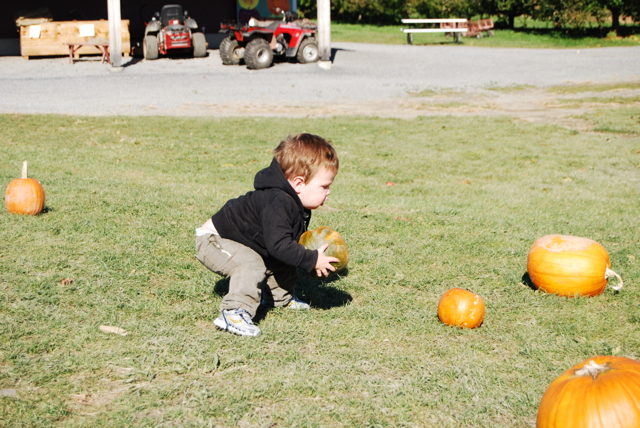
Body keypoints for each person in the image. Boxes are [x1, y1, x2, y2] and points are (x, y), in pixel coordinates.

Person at [195, 133, 340, 337]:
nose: (328, 192)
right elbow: (278, 246)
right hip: (214, 240)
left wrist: (307, 253)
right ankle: (234, 312)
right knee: (250, 263)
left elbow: (284, 247)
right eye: (324, 186)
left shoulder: (295, 202)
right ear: (299, 184)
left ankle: (278, 298)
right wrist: (311, 259)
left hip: (243, 241)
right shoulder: (277, 202)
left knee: (286, 253)